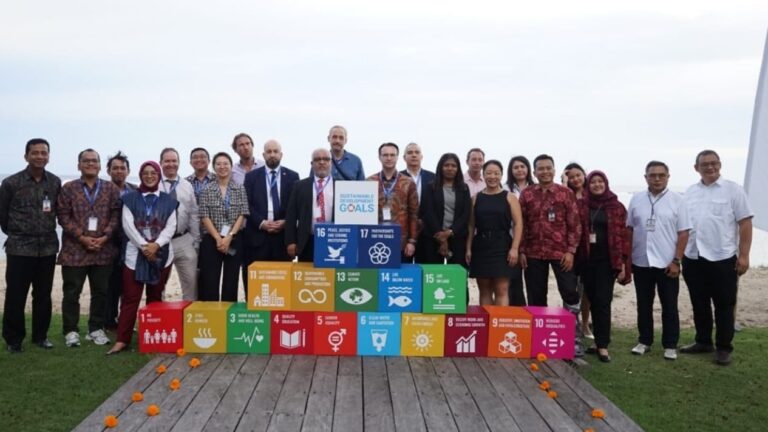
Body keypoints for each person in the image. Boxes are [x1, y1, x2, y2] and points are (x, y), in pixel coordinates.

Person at [681, 150, 753, 366]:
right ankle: (703, 341)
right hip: (694, 256)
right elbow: (683, 225)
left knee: (724, 304)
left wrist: (744, 255)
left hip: (722, 256)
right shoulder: (690, 192)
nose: (710, 167)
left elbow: (745, 223)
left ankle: (723, 347)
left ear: (720, 164)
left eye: (714, 163)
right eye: (705, 164)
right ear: (696, 168)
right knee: (699, 303)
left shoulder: (733, 190)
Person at [106, 161, 178, 355]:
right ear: (140, 175)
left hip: (162, 254)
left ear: (158, 175)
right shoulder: (129, 198)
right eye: (145, 173)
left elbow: (171, 226)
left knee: (155, 297)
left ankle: (152, 335)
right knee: (130, 298)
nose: (149, 176)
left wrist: (156, 245)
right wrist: (145, 246)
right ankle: (122, 339)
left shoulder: (169, 200)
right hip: (134, 254)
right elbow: (127, 225)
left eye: (153, 172)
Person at [518, 155, 583, 355]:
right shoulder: (527, 194)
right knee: (536, 296)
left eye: (548, 168)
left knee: (569, 293)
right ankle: (538, 337)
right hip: (533, 253)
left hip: (561, 252)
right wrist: (521, 250)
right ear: (534, 172)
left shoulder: (565, 193)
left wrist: (571, 251)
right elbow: (521, 224)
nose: (545, 172)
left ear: (554, 170)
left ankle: (574, 339)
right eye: (540, 169)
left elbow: (575, 224)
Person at [1, 138, 61, 353]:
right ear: (26, 156)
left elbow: (56, 211)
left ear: (49, 156)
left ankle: (40, 336)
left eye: (44, 153)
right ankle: (13, 340)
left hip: (47, 248)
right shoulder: (11, 183)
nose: (39, 156)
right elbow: (3, 217)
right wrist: (19, 233)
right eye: (35, 153)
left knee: (43, 295)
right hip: (19, 248)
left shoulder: (54, 182)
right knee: (16, 295)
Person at [627, 161, 690, 361]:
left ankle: (670, 344)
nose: (657, 178)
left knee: (669, 305)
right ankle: (644, 340)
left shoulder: (678, 200)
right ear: (645, 177)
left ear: (668, 177)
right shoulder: (636, 199)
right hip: (641, 261)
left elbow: (683, 233)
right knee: (643, 304)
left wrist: (676, 261)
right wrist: (627, 258)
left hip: (667, 263)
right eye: (652, 175)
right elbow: (629, 229)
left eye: (661, 175)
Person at [57, 149, 121, 347]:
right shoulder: (69, 188)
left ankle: (96, 329)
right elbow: (63, 216)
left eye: (94, 161)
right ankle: (71, 331)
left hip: (103, 250)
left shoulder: (111, 189)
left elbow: (116, 216)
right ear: (79, 165)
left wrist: (104, 237)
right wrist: (82, 238)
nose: (90, 164)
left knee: (101, 292)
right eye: (86, 161)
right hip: (74, 251)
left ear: (100, 165)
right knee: (72, 292)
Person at [578, 171, 632, 363]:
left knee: (603, 301)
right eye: (593, 182)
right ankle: (597, 341)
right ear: (588, 185)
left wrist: (625, 263)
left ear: (606, 183)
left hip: (607, 261)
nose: (597, 185)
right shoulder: (582, 204)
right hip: (586, 260)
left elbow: (624, 237)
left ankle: (603, 345)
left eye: (600, 181)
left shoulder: (616, 207)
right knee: (591, 299)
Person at [466, 160, 523, 305]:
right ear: (483, 175)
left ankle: (499, 325)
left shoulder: (509, 197)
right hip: (481, 246)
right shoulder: (476, 198)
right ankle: (487, 325)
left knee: (502, 289)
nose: (493, 176)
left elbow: (518, 224)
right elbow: (471, 226)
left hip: (503, 245)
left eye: (496, 173)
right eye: (489, 173)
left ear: (501, 175)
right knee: (484, 289)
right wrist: (468, 249)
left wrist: (515, 248)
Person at [198, 152, 249, 302]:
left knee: (231, 281)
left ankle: (228, 316)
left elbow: (243, 213)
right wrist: (218, 239)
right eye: (218, 164)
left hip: (234, 239)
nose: (222, 167)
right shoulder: (207, 189)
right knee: (210, 282)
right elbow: (204, 215)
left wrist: (229, 236)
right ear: (213, 167)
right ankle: (213, 317)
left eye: (225, 163)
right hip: (212, 240)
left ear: (231, 166)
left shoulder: (239, 188)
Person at [243, 139, 299, 267]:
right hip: (257, 237)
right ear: (263, 155)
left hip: (283, 238)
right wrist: (261, 223)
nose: (272, 154)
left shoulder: (293, 176)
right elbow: (246, 204)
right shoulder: (251, 177)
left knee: (282, 281)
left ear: (281, 155)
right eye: (269, 152)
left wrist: (286, 221)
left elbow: (296, 206)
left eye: (275, 151)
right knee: (256, 281)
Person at [159, 148, 200, 301]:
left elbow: (193, 214)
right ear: (161, 163)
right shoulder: (154, 184)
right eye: (167, 161)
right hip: (161, 243)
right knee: (159, 285)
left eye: (174, 161)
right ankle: (161, 320)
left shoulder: (186, 185)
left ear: (179, 163)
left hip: (183, 240)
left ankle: (189, 319)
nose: (171, 164)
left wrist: (195, 241)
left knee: (191, 284)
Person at [104, 151, 137, 330]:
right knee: (110, 285)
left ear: (128, 170)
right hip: (108, 243)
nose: (119, 171)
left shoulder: (134, 190)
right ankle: (109, 321)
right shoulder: (102, 189)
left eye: (122, 168)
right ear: (108, 171)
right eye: (115, 168)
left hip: (130, 243)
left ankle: (126, 321)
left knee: (128, 285)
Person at [368, 143, 419, 261]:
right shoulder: (369, 181)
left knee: (400, 277)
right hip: (374, 239)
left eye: (392, 155)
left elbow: (414, 214)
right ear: (379, 157)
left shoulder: (408, 182)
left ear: (397, 157)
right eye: (385, 155)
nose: (389, 158)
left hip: (401, 241)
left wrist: (412, 241)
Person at [421, 153, 471, 267]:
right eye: (446, 165)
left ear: (458, 168)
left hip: (456, 237)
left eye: (453, 166)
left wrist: (449, 232)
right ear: (440, 167)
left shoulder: (464, 188)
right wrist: (441, 237)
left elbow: (465, 213)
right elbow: (428, 212)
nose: (450, 168)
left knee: (457, 277)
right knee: (433, 274)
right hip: (433, 237)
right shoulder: (430, 187)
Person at [285, 149, 335, 262]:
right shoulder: (300, 186)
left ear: (331, 163)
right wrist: (290, 241)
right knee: (308, 278)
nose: (322, 162)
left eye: (326, 159)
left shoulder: (341, 186)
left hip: (334, 239)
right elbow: (291, 216)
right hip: (307, 241)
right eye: (317, 159)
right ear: (312, 164)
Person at [565, 162, 593, 339]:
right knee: (570, 288)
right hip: (569, 247)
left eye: (578, 175)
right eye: (571, 177)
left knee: (587, 289)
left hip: (590, 247)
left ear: (584, 174)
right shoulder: (565, 195)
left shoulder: (593, 195)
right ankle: (569, 324)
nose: (575, 179)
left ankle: (585, 324)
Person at [504, 155, 534, 306]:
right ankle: (516, 315)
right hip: (511, 239)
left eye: (522, 166)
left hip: (533, 241)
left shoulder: (536, 187)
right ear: (511, 170)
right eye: (516, 167)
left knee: (534, 282)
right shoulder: (505, 189)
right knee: (513, 281)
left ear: (528, 169)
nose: (519, 170)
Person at [400, 142, 436, 263]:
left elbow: (436, 204)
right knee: (405, 267)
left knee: (425, 267)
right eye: (410, 153)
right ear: (404, 157)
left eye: (417, 152)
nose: (414, 155)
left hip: (427, 229)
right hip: (405, 229)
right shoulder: (398, 177)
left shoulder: (433, 177)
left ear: (421, 156)